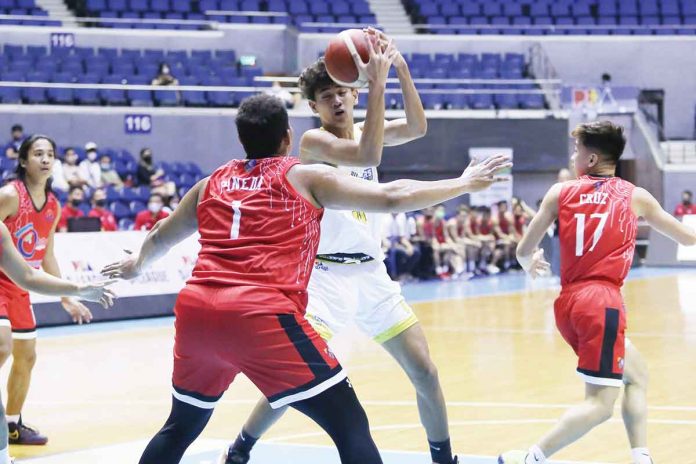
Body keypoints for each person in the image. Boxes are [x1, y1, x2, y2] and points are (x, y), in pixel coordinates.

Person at [101, 93, 510, 464]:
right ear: (287, 137)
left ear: (242, 139)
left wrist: (135, 266)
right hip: (260, 314)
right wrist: (463, 183)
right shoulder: (302, 176)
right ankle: (245, 444)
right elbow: (392, 197)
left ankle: (239, 447)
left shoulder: (211, 183)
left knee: (179, 429)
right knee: (350, 427)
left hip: (196, 314)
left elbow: (159, 237)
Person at [224, 28, 460, 464]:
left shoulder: (369, 130)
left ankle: (444, 458)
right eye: (326, 96)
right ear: (313, 107)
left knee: (425, 371)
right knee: (295, 378)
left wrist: (400, 68)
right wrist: (377, 84)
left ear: (352, 94)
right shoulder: (315, 144)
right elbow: (367, 155)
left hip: (372, 274)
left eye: (341, 92)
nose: (336, 100)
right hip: (325, 277)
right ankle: (241, 448)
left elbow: (417, 125)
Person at [499, 120, 696, 464]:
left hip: (569, 303)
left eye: (577, 150)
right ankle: (531, 458)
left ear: (591, 159)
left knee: (637, 376)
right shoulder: (636, 197)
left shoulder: (559, 193)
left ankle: (641, 456)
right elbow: (687, 238)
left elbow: (522, 250)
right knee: (601, 405)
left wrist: (529, 264)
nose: (574, 155)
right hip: (602, 302)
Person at [0, 135, 108, 447]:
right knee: (3, 345)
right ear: (23, 161)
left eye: (50, 154)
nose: (45, 159)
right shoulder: (9, 195)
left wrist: (66, 296)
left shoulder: (53, 207)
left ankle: (12, 425)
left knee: (27, 355)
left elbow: (46, 256)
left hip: (22, 285)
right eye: (37, 154)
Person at [382, 212, 421, 280]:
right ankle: (394, 277)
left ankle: (403, 273)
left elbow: (401, 237)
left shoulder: (399, 219)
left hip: (397, 243)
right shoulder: (385, 219)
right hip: (387, 244)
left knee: (416, 252)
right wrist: (388, 244)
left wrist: (409, 247)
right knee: (396, 252)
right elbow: (384, 237)